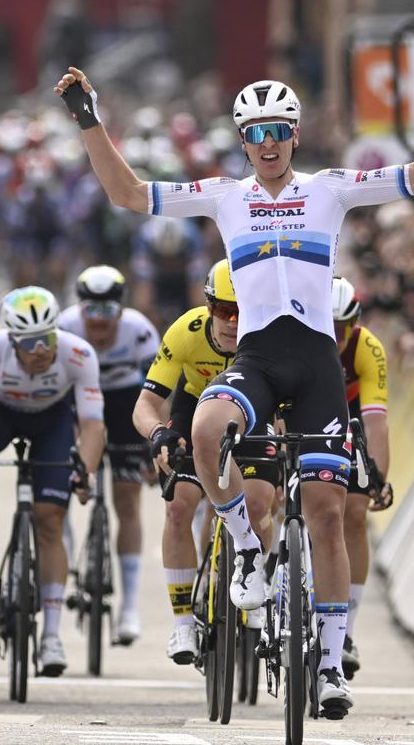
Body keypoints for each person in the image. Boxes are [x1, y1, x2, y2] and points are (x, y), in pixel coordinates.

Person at [56, 48, 414, 714]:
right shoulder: (225, 196)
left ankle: (330, 665)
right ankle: (246, 550)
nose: (269, 144)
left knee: (329, 515)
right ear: (243, 141)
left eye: (280, 132)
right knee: (207, 428)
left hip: (316, 366)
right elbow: (128, 194)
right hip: (258, 357)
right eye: (257, 134)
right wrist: (87, 117)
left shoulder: (329, 187)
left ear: (294, 136)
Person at [0, 286, 106, 677]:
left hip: (52, 420)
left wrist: (85, 471)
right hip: (1, 414)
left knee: (50, 519)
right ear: (12, 340)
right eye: (30, 342)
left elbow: (92, 424)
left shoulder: (78, 354)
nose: (40, 350)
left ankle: (51, 635)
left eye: (46, 338)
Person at [131, 259, 278, 664]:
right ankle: (182, 625)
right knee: (179, 507)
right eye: (222, 311)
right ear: (208, 307)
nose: (232, 322)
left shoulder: (270, 333)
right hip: (196, 409)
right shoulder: (187, 330)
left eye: (241, 311)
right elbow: (147, 403)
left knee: (259, 503)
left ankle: (252, 573)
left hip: (255, 415)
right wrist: (159, 433)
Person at [58, 264, 161, 645]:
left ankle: (129, 606)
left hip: (123, 406)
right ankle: (66, 566)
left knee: (127, 500)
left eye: (108, 312)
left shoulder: (140, 331)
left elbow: (158, 395)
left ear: (121, 310)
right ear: (80, 308)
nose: (99, 322)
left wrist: (155, 446)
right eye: (92, 311)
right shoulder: (66, 326)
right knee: (58, 486)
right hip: (75, 403)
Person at [331, 277, 391, 679]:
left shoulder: (367, 347)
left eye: (342, 329)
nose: (335, 337)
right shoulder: (295, 334)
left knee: (354, 512)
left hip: (347, 417)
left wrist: (378, 479)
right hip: (297, 405)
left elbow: (376, 423)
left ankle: (346, 633)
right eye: (327, 327)